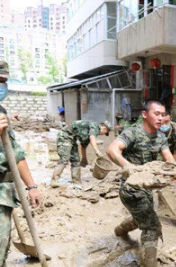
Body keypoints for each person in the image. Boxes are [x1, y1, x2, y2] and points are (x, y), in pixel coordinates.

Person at [106, 99, 176, 267]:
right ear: (145, 114)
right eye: (156, 114)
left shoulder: (160, 137)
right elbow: (112, 149)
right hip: (131, 190)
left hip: (146, 189)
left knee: (142, 217)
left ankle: (120, 231)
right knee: (152, 226)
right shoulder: (133, 132)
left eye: (163, 115)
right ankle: (149, 263)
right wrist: (128, 167)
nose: (160, 118)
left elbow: (169, 158)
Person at [0, 60, 42, 266]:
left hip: (3, 192)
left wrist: (31, 186)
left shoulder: (1, 111)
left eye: (3, 82)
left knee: (2, 245)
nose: (2, 87)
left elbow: (15, 153)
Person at [50, 120, 112, 188]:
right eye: (105, 133)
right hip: (65, 136)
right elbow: (92, 137)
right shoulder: (95, 126)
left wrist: (84, 158)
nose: (102, 134)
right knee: (65, 158)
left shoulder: (89, 131)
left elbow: (83, 146)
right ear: (104, 128)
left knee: (76, 160)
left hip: (72, 139)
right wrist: (97, 151)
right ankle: (54, 181)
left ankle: (76, 182)